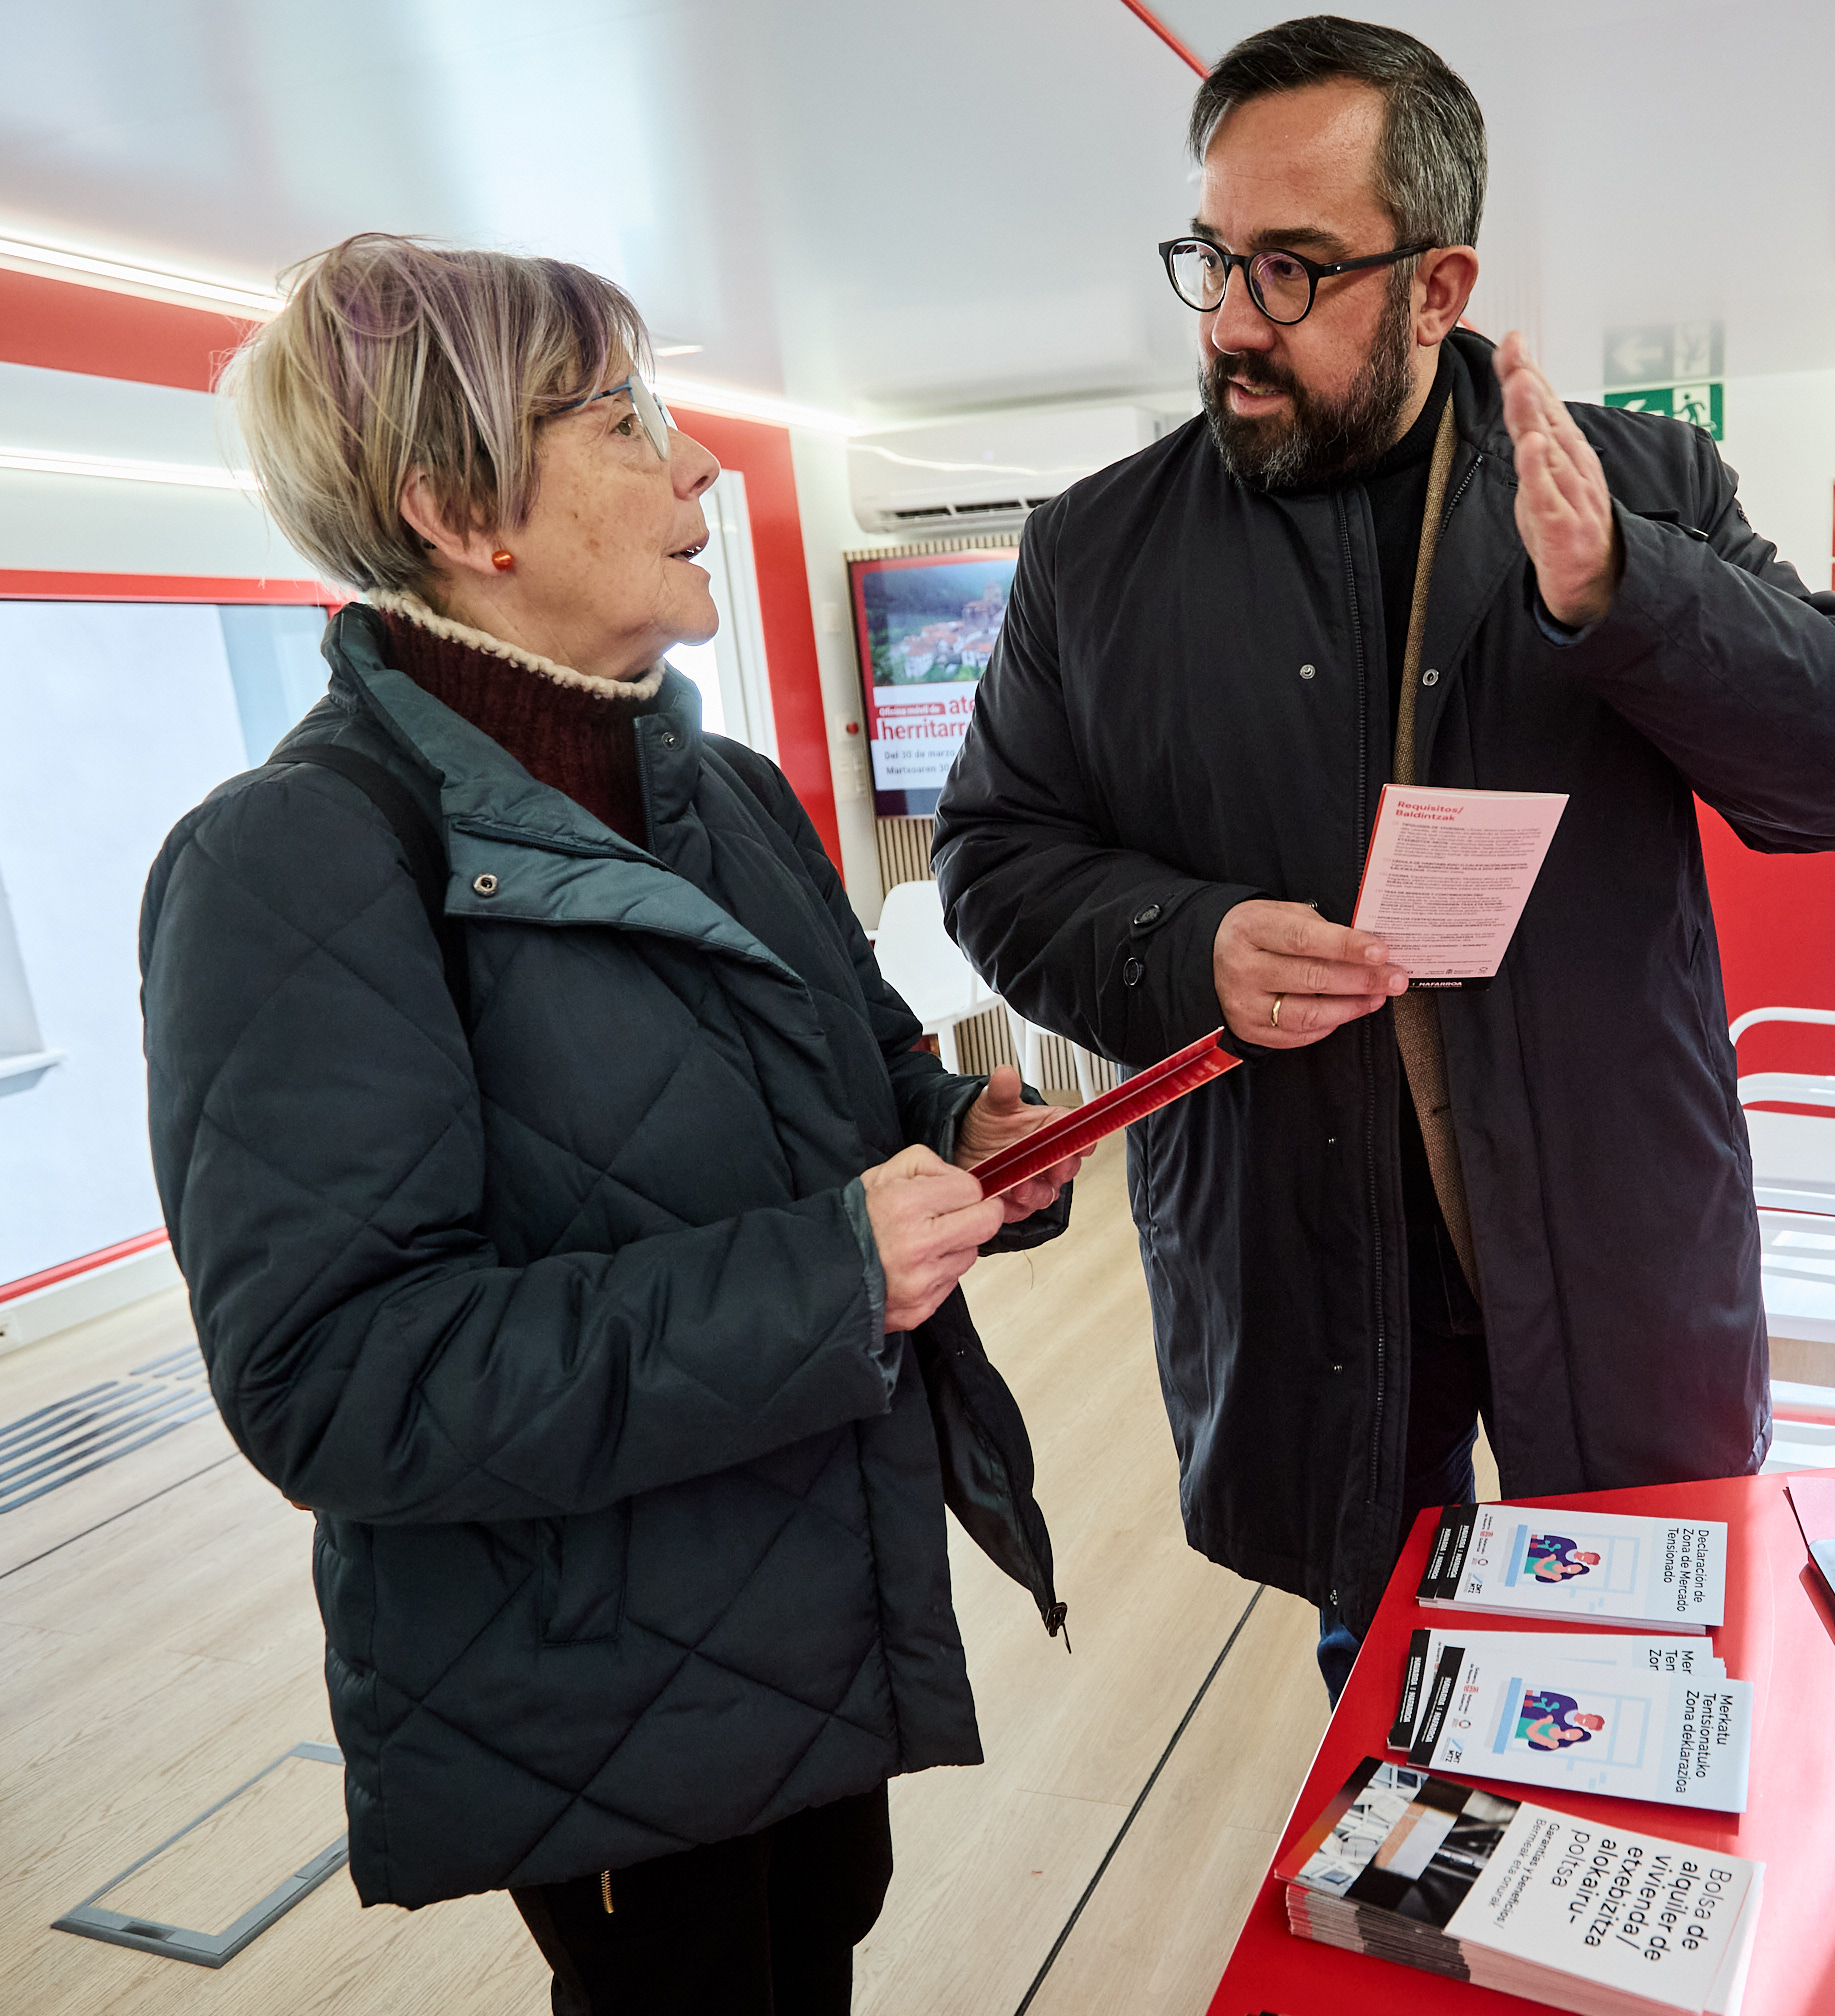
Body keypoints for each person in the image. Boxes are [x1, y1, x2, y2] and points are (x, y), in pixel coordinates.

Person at [139, 234, 1084, 2014]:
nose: (705, 460)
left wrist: (968, 1136)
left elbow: (859, 1073)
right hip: (598, 1680)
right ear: (456, 505)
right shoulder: (294, 864)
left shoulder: (716, 787)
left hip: (809, 1599)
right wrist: (827, 1276)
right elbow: (343, 1377)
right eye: (630, 414)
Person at [933, 17, 1835, 1698]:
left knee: (1643, 1683)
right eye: (1214, 260)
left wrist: (1632, 593)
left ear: (1440, 283)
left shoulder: (1639, 483)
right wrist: (1189, 946)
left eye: (1295, 271)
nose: (1234, 325)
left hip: (1605, 1234)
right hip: (1300, 1254)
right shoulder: (1096, 553)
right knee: (1385, 1684)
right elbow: (991, 856)